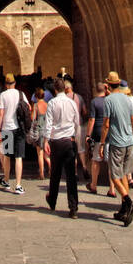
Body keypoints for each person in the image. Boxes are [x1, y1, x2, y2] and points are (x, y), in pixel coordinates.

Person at [100, 70, 133, 226]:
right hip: (129, 141)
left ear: (108, 85)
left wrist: (102, 143)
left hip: (117, 142)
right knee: (124, 174)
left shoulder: (108, 100)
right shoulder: (128, 99)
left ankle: (128, 201)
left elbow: (106, 124)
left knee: (115, 176)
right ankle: (124, 209)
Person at [44, 77, 81, 216]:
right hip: (68, 141)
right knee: (71, 175)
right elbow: (77, 122)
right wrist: (76, 139)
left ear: (54, 89)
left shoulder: (52, 103)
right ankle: (73, 208)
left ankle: (52, 201)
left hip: (56, 142)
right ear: (65, 89)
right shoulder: (71, 103)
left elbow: (48, 123)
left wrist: (46, 140)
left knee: (55, 173)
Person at [0, 72, 29, 194]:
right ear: (15, 83)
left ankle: (7, 180)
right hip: (19, 128)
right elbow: (28, 108)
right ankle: (18, 185)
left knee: (7, 156)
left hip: (7, 128)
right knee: (19, 157)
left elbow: (1, 113)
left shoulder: (3, 95)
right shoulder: (21, 94)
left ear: (5, 84)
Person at [64, 78, 88, 181]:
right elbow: (85, 111)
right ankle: (84, 167)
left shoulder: (64, 99)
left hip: (69, 126)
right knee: (81, 148)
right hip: (79, 124)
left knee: (72, 150)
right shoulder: (79, 97)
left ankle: (75, 172)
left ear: (66, 88)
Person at [86, 81, 108, 193]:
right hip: (109, 133)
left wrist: (88, 135)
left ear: (95, 90)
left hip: (98, 133)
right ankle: (113, 189)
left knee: (95, 160)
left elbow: (92, 119)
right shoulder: (110, 100)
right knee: (111, 162)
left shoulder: (94, 102)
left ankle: (94, 185)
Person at [30, 87, 50, 180]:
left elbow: (32, 118)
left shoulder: (36, 105)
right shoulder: (48, 105)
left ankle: (41, 173)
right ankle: (51, 167)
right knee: (46, 152)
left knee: (40, 153)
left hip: (39, 130)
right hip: (47, 130)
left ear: (36, 96)